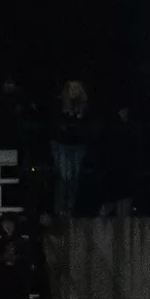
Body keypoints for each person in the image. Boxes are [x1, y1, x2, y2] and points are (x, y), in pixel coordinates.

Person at [51, 80, 92, 217]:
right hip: (62, 144)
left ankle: (71, 208)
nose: (74, 90)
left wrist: (79, 119)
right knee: (65, 176)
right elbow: (56, 123)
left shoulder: (85, 106)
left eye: (77, 87)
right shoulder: (59, 103)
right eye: (72, 87)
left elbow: (88, 126)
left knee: (75, 177)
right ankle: (60, 208)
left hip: (78, 145)